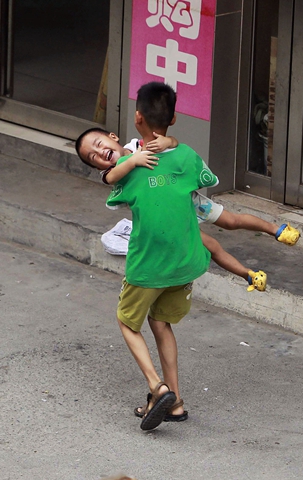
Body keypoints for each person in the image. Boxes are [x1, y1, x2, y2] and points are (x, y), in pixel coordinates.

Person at [98, 82, 219, 430]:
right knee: (160, 322)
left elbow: (111, 183)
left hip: (149, 263)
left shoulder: (133, 168)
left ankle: (157, 386)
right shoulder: (187, 156)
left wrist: (130, 159)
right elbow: (199, 175)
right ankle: (175, 403)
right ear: (175, 118)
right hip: (185, 262)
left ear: (137, 118)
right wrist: (174, 144)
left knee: (126, 320)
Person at [76, 128, 302, 292]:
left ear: (112, 137)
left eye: (98, 143)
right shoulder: (111, 174)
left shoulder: (140, 143)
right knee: (212, 246)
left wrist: (167, 142)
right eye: (92, 157)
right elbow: (113, 176)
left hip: (189, 200)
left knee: (232, 221)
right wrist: (134, 161)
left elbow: (175, 143)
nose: (99, 152)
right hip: (172, 219)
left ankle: (277, 229)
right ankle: (249, 275)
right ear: (97, 167)